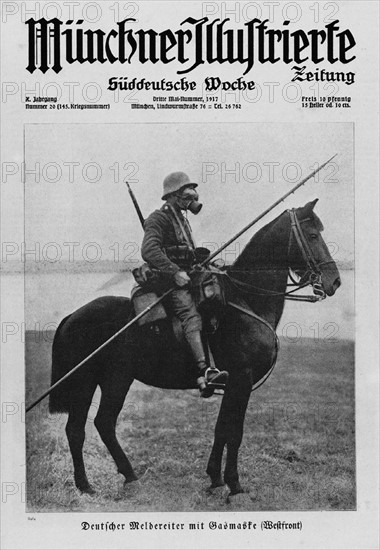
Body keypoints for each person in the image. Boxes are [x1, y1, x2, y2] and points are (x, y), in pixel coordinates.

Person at [141, 171, 229, 398]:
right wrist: (174, 272)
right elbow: (149, 250)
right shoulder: (158, 219)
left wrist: (207, 262)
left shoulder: (182, 220)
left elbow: (186, 253)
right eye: (185, 193)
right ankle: (204, 371)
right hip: (167, 282)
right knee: (190, 314)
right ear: (173, 195)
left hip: (185, 277)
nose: (191, 198)